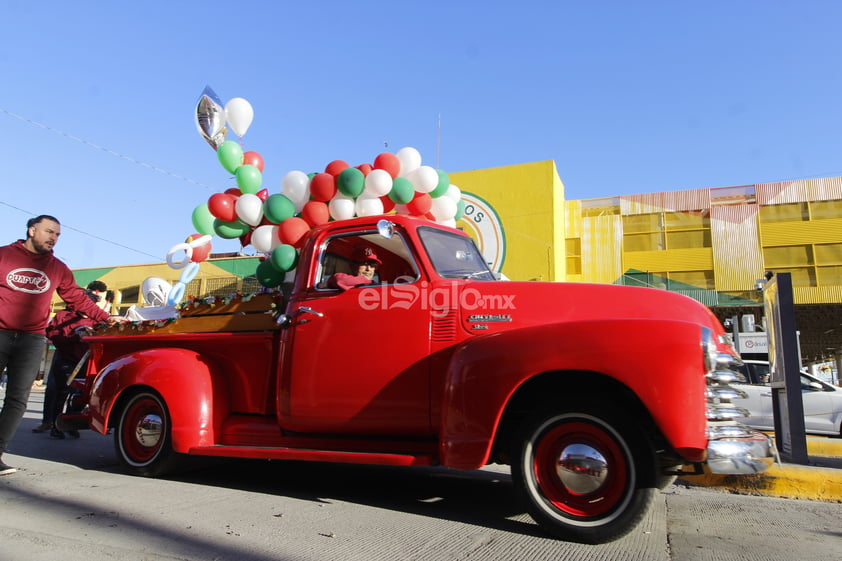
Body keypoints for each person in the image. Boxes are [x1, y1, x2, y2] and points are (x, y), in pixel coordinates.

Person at [0, 215, 122, 475]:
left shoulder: (57, 267)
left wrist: (106, 318)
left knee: (17, 399)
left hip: (32, 339)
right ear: (32, 230)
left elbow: (77, 298)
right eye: (48, 231)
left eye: (57, 234)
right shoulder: (4, 256)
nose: (53, 237)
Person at [32, 281, 111, 439]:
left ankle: (70, 423)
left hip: (85, 362)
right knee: (60, 393)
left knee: (79, 395)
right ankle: (55, 425)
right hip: (65, 360)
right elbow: (53, 336)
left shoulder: (94, 321)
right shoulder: (63, 316)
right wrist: (75, 338)